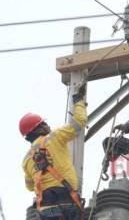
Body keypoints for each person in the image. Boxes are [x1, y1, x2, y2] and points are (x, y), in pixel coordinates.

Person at [20, 86, 87, 220]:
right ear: (38, 129)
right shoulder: (55, 137)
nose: (47, 126)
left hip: (45, 209)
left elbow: (29, 186)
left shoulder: (26, 159)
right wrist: (78, 102)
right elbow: (80, 122)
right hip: (67, 201)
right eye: (44, 123)